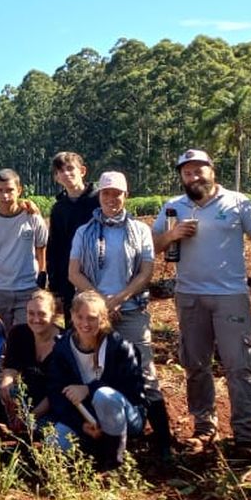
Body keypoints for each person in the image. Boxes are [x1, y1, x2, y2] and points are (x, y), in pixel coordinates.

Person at [152, 148, 251, 455]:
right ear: (181, 177)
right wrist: (172, 235)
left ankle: (245, 434)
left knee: (239, 366)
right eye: (187, 172)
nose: (193, 176)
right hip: (190, 296)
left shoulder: (237, 202)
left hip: (230, 296)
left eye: (198, 170)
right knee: (195, 365)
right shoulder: (173, 207)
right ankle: (204, 428)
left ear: (212, 170)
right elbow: (151, 246)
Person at [68, 171, 171, 457]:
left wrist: (120, 299)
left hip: (130, 310)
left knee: (145, 371)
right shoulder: (84, 231)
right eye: (106, 193)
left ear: (126, 196)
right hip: (92, 313)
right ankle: (100, 434)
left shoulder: (140, 231)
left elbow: (146, 272)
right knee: (93, 370)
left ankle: (162, 439)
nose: (111, 199)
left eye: (117, 194)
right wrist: (101, 304)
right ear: (99, 195)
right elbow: (73, 273)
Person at [43, 291, 148, 471]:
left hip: (126, 417)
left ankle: (114, 460)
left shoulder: (119, 346)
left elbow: (132, 390)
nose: (85, 323)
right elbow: (56, 392)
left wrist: (89, 388)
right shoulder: (62, 347)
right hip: (86, 418)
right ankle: (93, 448)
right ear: (72, 316)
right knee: (54, 443)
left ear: (103, 318)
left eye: (92, 318)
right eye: (80, 317)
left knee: (103, 395)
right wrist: (80, 424)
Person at [0, 168, 48, 327]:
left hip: (27, 289)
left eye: (10, 190)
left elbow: (42, 249)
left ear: (19, 190)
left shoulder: (32, 217)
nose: (5, 196)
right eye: (0, 190)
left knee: (24, 336)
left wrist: (41, 279)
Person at [0, 287, 61, 433]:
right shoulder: (18, 333)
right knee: (3, 390)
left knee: (43, 432)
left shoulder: (64, 342)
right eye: (31, 314)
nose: (36, 319)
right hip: (24, 395)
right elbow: (10, 367)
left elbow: (56, 391)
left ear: (53, 315)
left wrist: (30, 417)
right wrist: (6, 382)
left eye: (42, 314)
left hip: (50, 402)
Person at [46, 152, 100, 319]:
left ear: (82, 171)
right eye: (60, 171)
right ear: (57, 177)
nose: (66, 174)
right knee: (76, 326)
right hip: (70, 278)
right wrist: (55, 288)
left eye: (70, 168)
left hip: (100, 274)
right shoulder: (58, 209)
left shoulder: (99, 199)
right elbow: (55, 248)